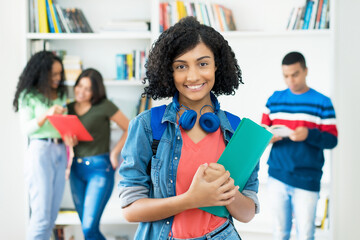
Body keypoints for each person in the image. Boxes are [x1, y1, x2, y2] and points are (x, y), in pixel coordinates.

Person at [118, 16, 260, 240]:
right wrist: (192, 199)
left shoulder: (237, 131)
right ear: (169, 71)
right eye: (181, 66)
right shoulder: (147, 126)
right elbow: (130, 210)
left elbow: (247, 213)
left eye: (203, 63)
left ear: (216, 66)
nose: (193, 76)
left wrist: (228, 191)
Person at [261, 51, 338, 240]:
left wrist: (308, 134)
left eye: (295, 74)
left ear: (305, 71)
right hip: (277, 176)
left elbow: (332, 140)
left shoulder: (322, 102)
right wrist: (266, 137)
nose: (290, 80)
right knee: (280, 232)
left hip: (307, 179)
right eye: (286, 76)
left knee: (305, 234)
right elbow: (261, 132)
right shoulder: (274, 99)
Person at [66, 68, 129, 240]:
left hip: (99, 169)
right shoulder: (68, 108)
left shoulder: (105, 106)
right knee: (87, 229)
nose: (81, 91)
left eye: (88, 88)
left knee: (88, 229)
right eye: (79, 86)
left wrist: (115, 153)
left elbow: (130, 128)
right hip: (76, 171)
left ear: (96, 91)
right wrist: (68, 142)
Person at [13, 51, 68, 240]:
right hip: (40, 151)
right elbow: (26, 129)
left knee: (51, 217)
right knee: (41, 216)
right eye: (53, 74)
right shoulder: (28, 96)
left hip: (61, 150)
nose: (57, 78)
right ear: (42, 73)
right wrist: (47, 114)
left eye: (60, 73)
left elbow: (61, 126)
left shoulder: (60, 93)